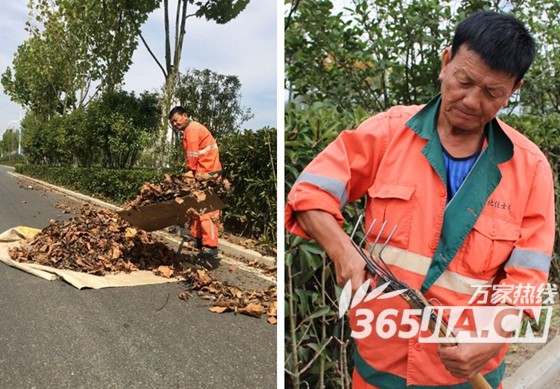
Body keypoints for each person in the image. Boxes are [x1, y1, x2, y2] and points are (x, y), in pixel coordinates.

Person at [285, 11, 555, 388]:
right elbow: (310, 192)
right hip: (381, 365)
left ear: (513, 91)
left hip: (467, 372)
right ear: (446, 63)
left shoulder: (530, 169)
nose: (472, 101)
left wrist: (494, 335)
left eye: (492, 93)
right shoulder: (386, 134)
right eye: (464, 80)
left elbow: (527, 277)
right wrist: (342, 251)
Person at [169, 106, 222, 259]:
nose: (175, 124)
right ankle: (199, 240)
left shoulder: (192, 130)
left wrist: (189, 175)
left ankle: (211, 246)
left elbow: (192, 159)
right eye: (172, 123)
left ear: (184, 116)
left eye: (176, 120)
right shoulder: (193, 128)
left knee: (207, 210)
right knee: (198, 207)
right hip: (205, 172)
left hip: (207, 173)